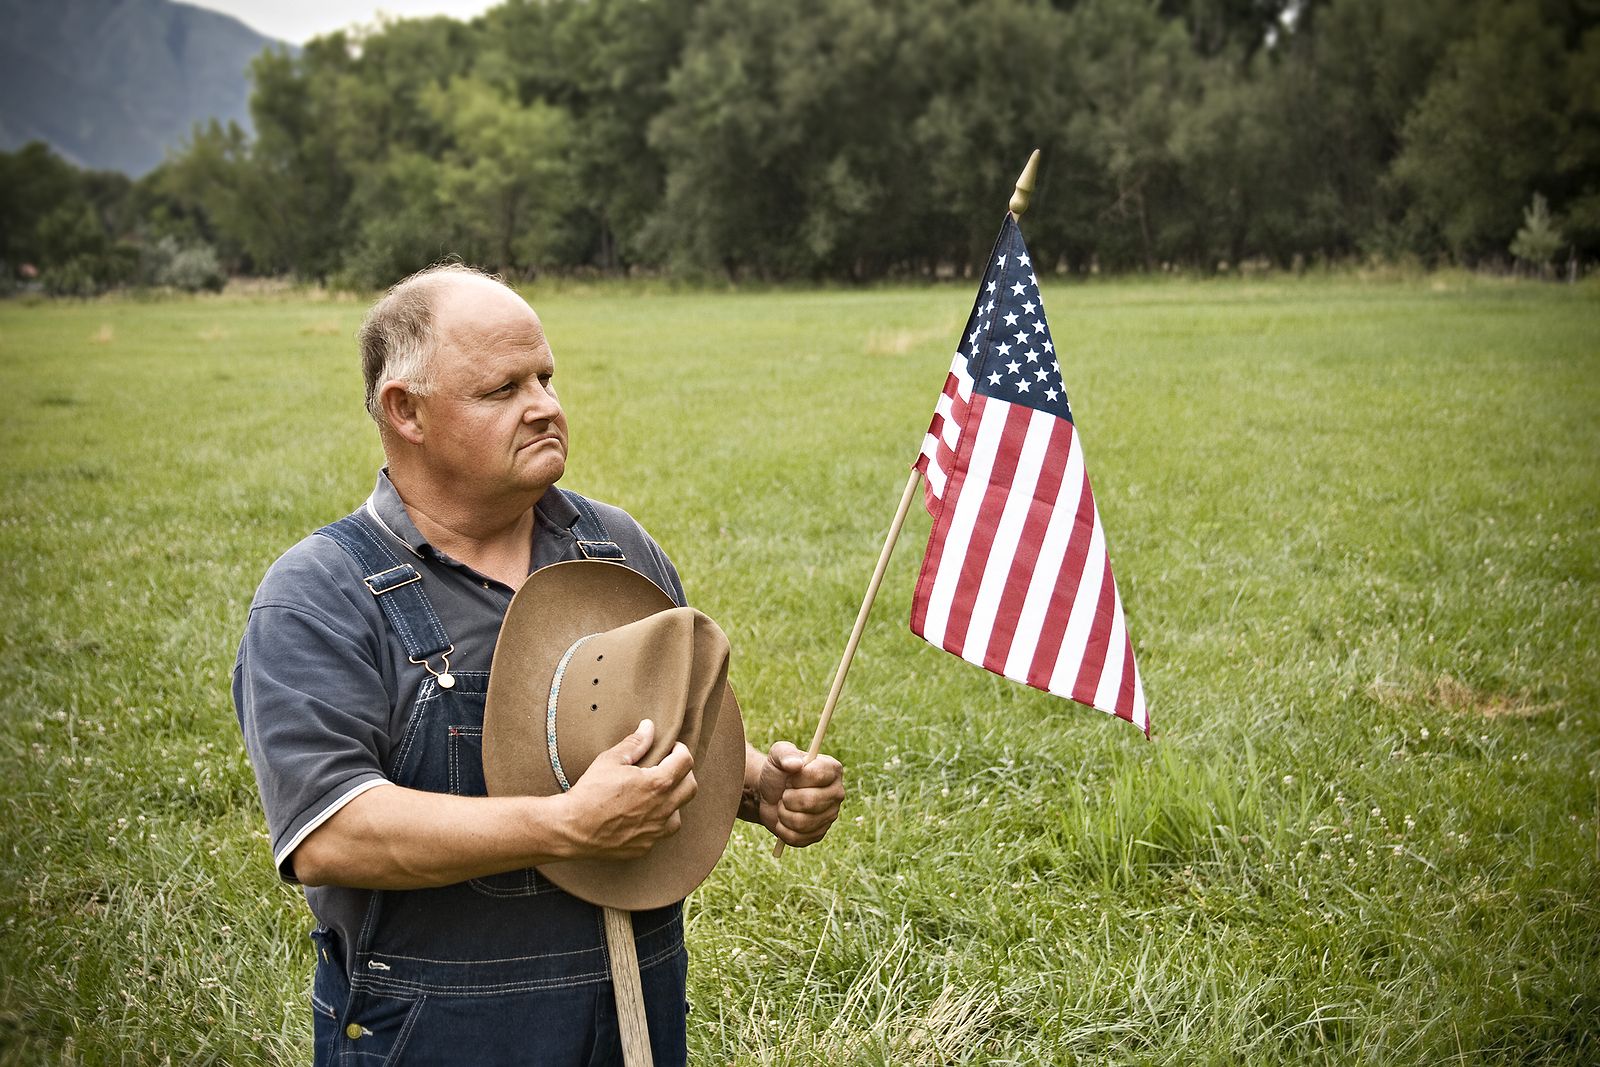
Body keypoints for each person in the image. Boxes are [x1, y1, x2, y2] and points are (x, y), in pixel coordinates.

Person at [232, 263, 846, 1065]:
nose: (547, 407)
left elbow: (655, 724)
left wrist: (761, 786)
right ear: (404, 410)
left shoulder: (615, 546)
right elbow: (332, 832)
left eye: (547, 377)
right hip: (433, 1031)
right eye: (503, 389)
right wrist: (567, 827)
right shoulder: (319, 593)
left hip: (634, 1014)